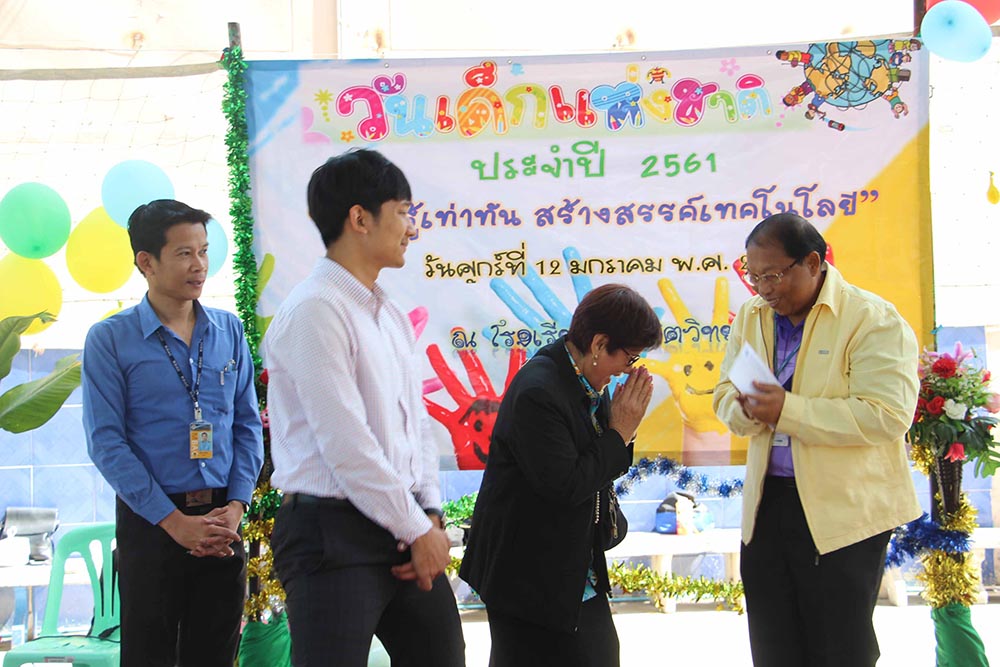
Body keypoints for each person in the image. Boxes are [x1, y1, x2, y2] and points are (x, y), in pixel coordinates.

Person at [265, 149, 465, 667]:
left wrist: (430, 514)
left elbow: (416, 426)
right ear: (360, 218)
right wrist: (417, 528)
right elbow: (346, 445)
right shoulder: (315, 309)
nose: (411, 228)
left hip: (403, 524)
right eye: (402, 212)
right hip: (331, 534)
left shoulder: (389, 313)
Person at [713, 213, 921, 666]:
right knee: (774, 646)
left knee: (838, 649)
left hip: (843, 513)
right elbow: (725, 391)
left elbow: (887, 415)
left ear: (812, 262)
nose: (763, 289)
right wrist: (744, 410)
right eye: (754, 276)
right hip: (767, 506)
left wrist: (787, 411)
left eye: (773, 275)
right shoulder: (752, 315)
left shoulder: (871, 319)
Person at [82, 199, 264, 666]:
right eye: (184, 253)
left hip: (222, 520)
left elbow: (247, 425)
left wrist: (236, 507)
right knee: (150, 655)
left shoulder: (228, 330)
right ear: (147, 262)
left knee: (215, 654)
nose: (199, 265)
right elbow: (106, 442)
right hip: (152, 522)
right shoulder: (110, 340)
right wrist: (173, 522)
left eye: (203, 251)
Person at [460, 283, 661, 667]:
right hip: (526, 573)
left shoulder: (587, 377)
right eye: (630, 357)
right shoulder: (540, 390)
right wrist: (620, 433)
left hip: (568, 563)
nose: (628, 370)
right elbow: (566, 485)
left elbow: (599, 462)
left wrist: (623, 432)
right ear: (600, 344)